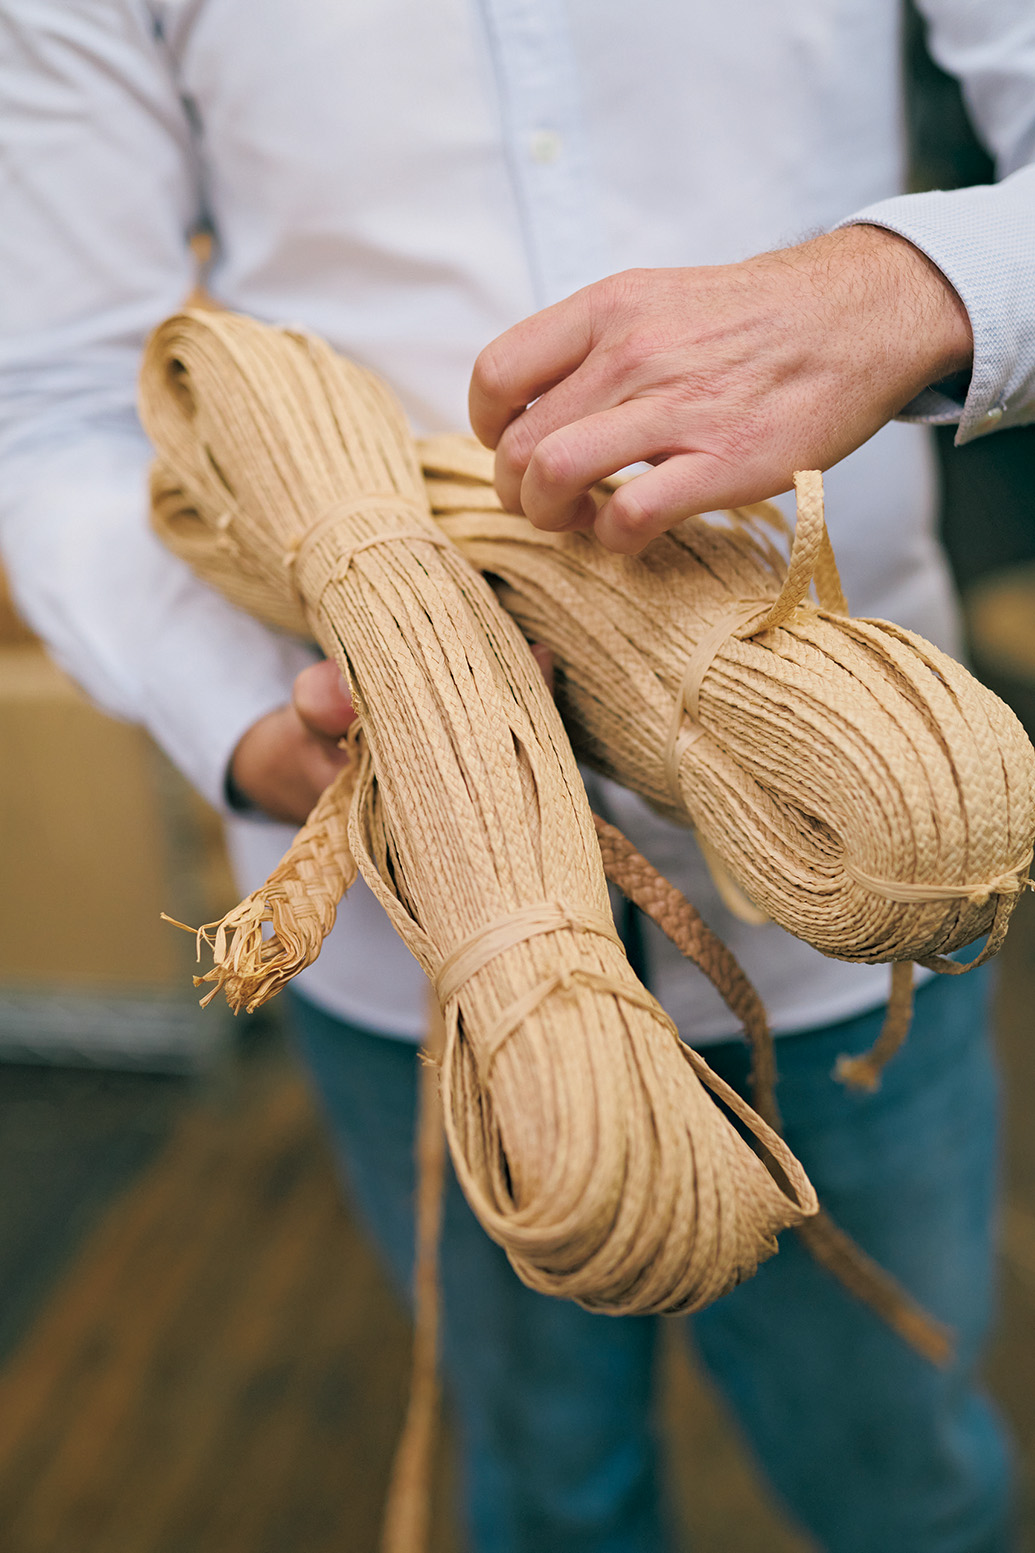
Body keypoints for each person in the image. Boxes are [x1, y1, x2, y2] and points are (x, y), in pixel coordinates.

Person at [2, 4, 1034, 1548]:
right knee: (546, 1485)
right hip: (415, 916)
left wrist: (922, 280)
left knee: (907, 1473)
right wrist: (252, 732)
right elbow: (62, 402)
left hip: (841, 861)